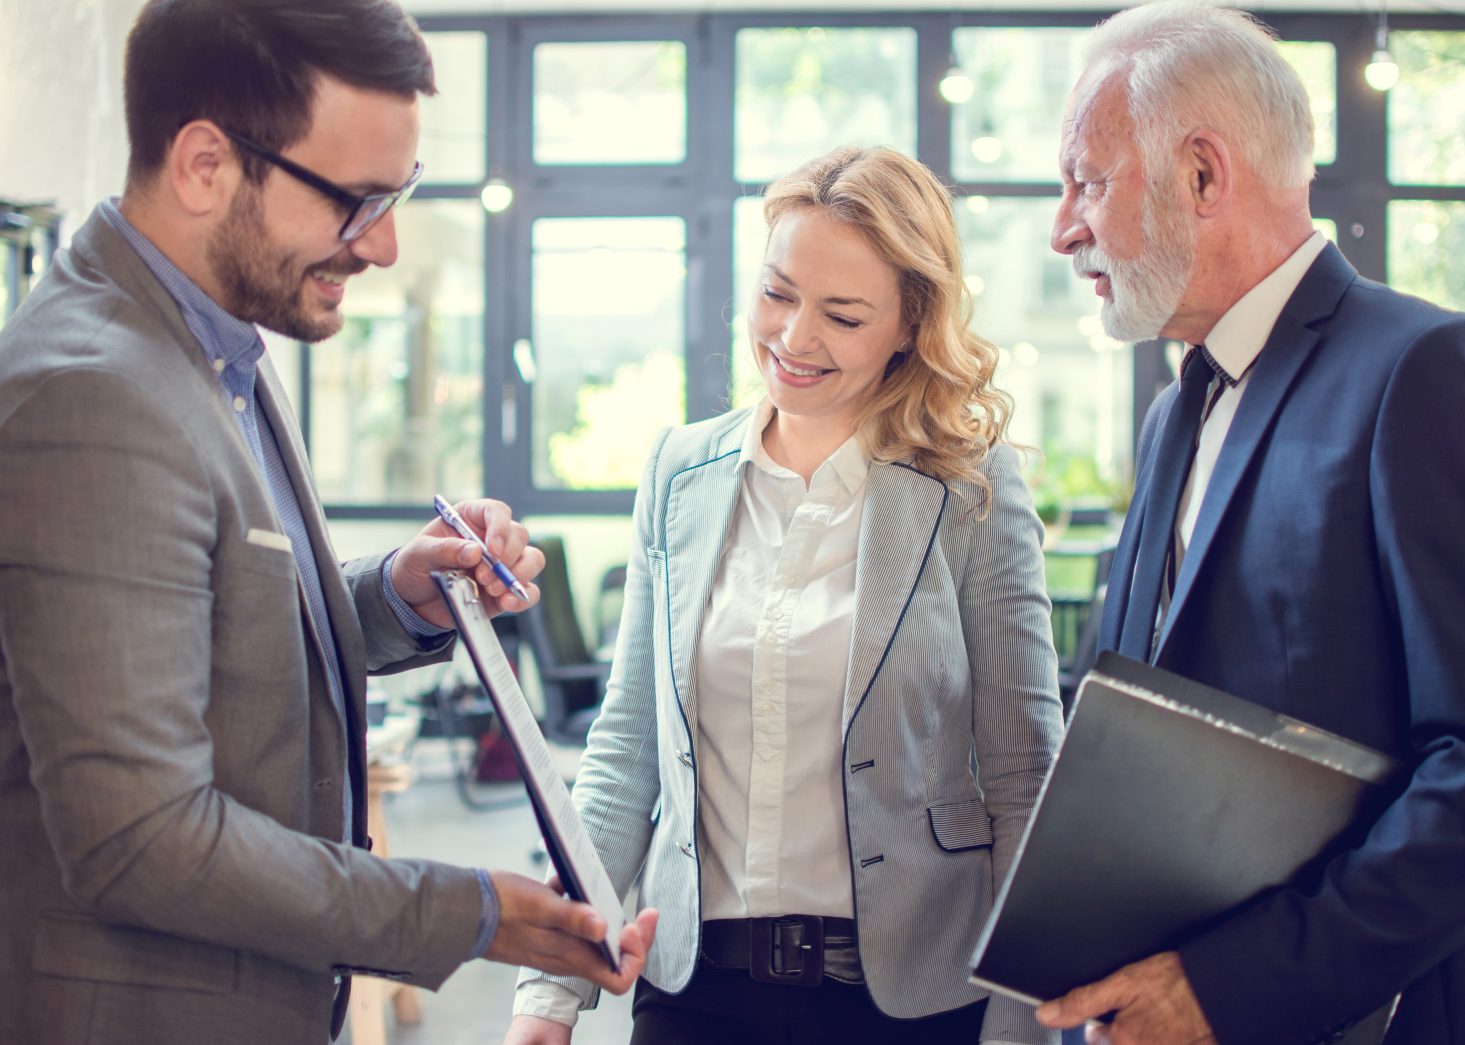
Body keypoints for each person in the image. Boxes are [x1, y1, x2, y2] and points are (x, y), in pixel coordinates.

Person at [0, 3, 655, 1043]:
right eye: (355, 201)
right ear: (207, 165)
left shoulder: (214, 347)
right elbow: (141, 838)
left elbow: (222, 618)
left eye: (397, 196)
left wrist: (400, 586)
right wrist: (472, 911)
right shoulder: (94, 392)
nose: (386, 246)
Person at [1034, 3, 1465, 1043]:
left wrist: (1226, 988)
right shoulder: (1169, 413)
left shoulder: (1432, 372)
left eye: (1086, 181)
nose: (1061, 226)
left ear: (1201, 175)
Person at [504, 145, 1064, 1045]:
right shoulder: (680, 472)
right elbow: (624, 753)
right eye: (777, 292)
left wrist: (1020, 1024)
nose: (794, 339)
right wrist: (547, 992)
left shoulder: (970, 490)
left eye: (843, 315)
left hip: (912, 1002)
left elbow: (1024, 777)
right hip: (698, 997)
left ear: (910, 324)